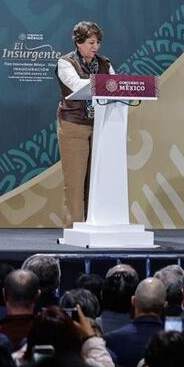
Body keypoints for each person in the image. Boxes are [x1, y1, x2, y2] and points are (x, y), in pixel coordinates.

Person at [55, 21, 113, 227]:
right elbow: (75, 85)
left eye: (98, 42)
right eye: (90, 42)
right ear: (79, 42)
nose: (95, 46)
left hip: (102, 126)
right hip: (74, 125)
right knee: (75, 182)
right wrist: (105, 84)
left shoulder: (105, 62)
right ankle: (73, 228)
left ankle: (95, 225)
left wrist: (112, 85)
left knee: (96, 182)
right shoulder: (65, 62)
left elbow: (116, 86)